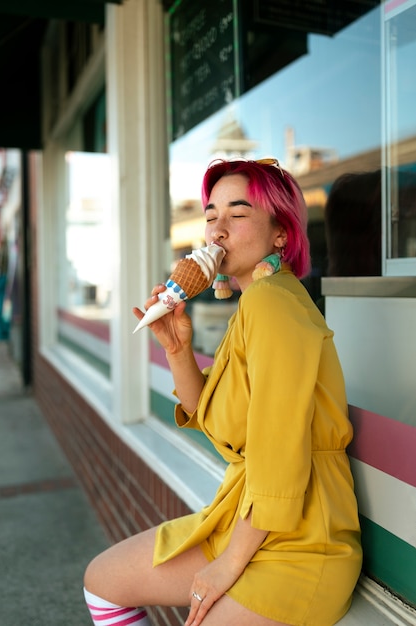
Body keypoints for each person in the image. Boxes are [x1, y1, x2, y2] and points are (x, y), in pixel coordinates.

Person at [83, 158, 362, 626]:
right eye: (211, 215)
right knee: (104, 580)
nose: (217, 229)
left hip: (302, 539)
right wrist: (177, 348)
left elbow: (279, 454)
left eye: (238, 213)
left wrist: (228, 566)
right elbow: (218, 424)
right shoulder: (253, 303)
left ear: (281, 233)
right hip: (247, 517)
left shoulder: (274, 304)